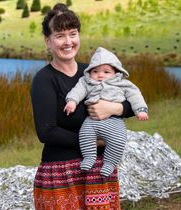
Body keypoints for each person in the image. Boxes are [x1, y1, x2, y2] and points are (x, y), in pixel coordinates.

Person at [30, 3, 135, 209]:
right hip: (61, 173)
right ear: (48, 41)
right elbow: (46, 132)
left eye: (73, 34)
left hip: (99, 170)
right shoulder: (44, 80)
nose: (68, 42)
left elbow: (133, 102)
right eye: (60, 35)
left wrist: (114, 109)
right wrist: (96, 143)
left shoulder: (95, 72)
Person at [64, 46, 148, 177]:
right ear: (89, 72)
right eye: (95, 71)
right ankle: (89, 157)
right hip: (91, 120)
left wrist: (140, 110)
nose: (100, 75)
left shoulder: (123, 83)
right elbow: (78, 90)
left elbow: (135, 96)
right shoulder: (86, 82)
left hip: (114, 122)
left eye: (106, 72)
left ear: (116, 72)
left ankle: (109, 163)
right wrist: (72, 101)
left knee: (118, 141)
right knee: (85, 135)